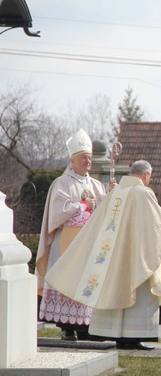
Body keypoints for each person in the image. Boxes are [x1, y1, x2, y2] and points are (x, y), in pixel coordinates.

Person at [45, 160, 161, 350]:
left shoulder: (115, 194)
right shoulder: (144, 193)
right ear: (146, 175)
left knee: (115, 290)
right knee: (137, 293)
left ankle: (118, 336)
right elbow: (155, 224)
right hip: (136, 257)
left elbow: (97, 223)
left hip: (112, 259)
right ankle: (134, 337)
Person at [35, 129, 108, 342]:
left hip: (89, 246)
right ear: (73, 159)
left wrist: (112, 195)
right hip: (66, 244)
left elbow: (104, 211)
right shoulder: (62, 183)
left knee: (85, 285)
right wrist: (83, 205)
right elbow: (57, 213)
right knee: (67, 283)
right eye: (84, 157)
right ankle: (66, 327)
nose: (88, 161)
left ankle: (86, 326)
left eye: (90, 158)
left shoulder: (96, 185)